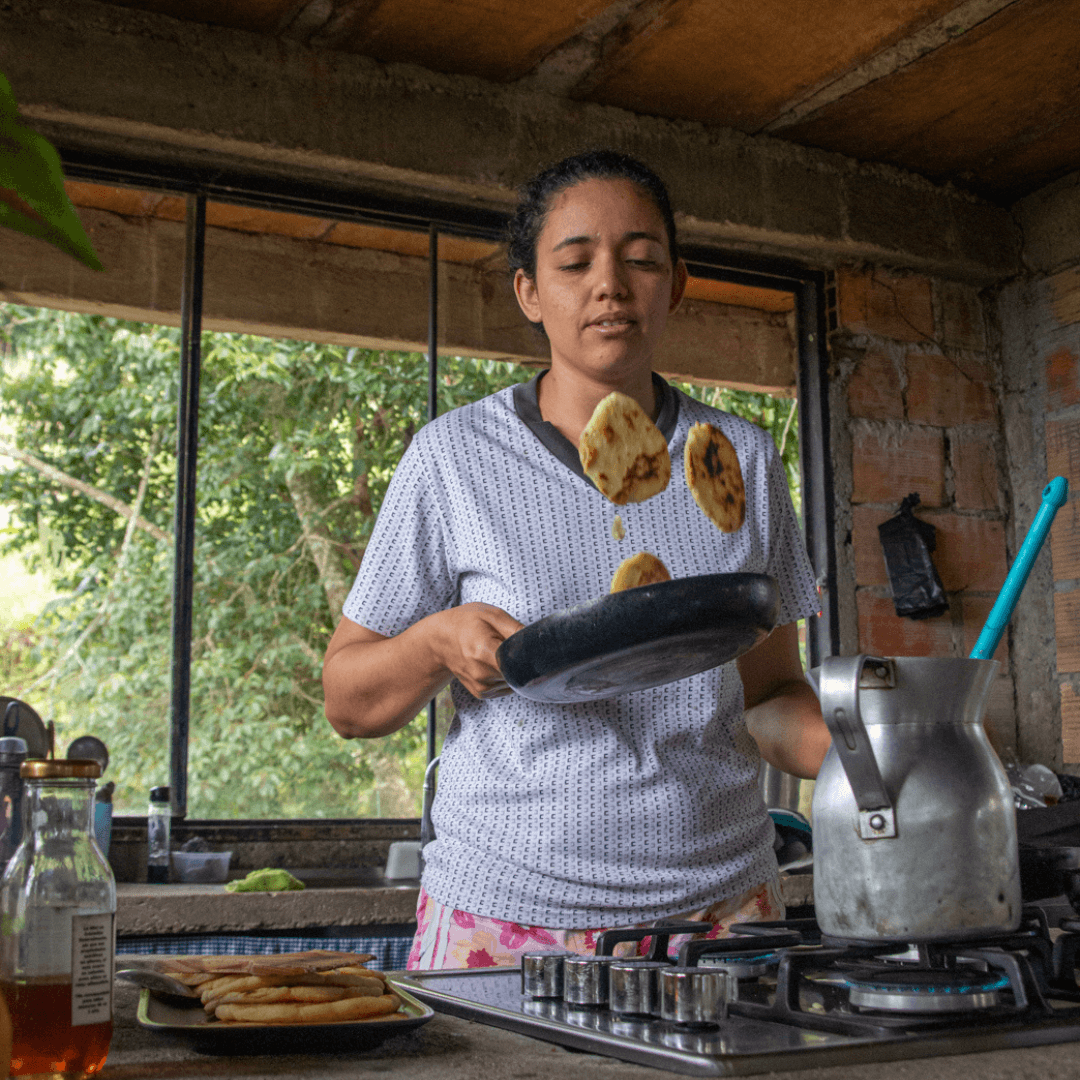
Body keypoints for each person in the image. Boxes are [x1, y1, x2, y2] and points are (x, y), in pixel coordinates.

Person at [323, 149, 830, 970]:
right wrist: (434, 645)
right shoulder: (453, 458)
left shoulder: (738, 458)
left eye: (642, 261)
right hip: (507, 912)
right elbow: (347, 701)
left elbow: (769, 693)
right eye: (575, 262)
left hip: (726, 913)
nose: (611, 286)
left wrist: (872, 766)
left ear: (677, 283)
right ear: (529, 290)